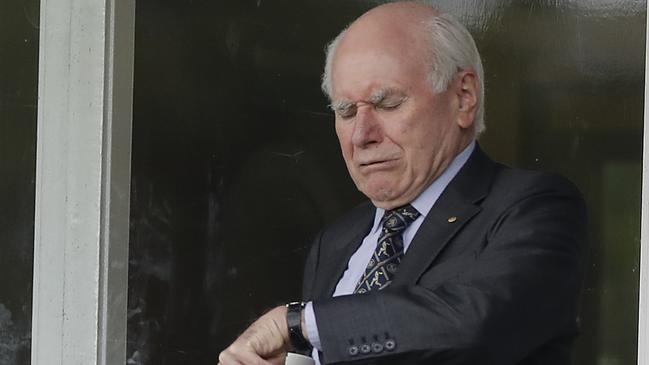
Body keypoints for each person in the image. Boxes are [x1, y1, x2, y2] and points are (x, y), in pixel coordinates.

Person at [217, 2, 586, 364]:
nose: (362, 135)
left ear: (464, 97)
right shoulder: (336, 241)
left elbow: (475, 323)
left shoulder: (534, 207)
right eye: (346, 111)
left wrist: (299, 322)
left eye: (388, 104)